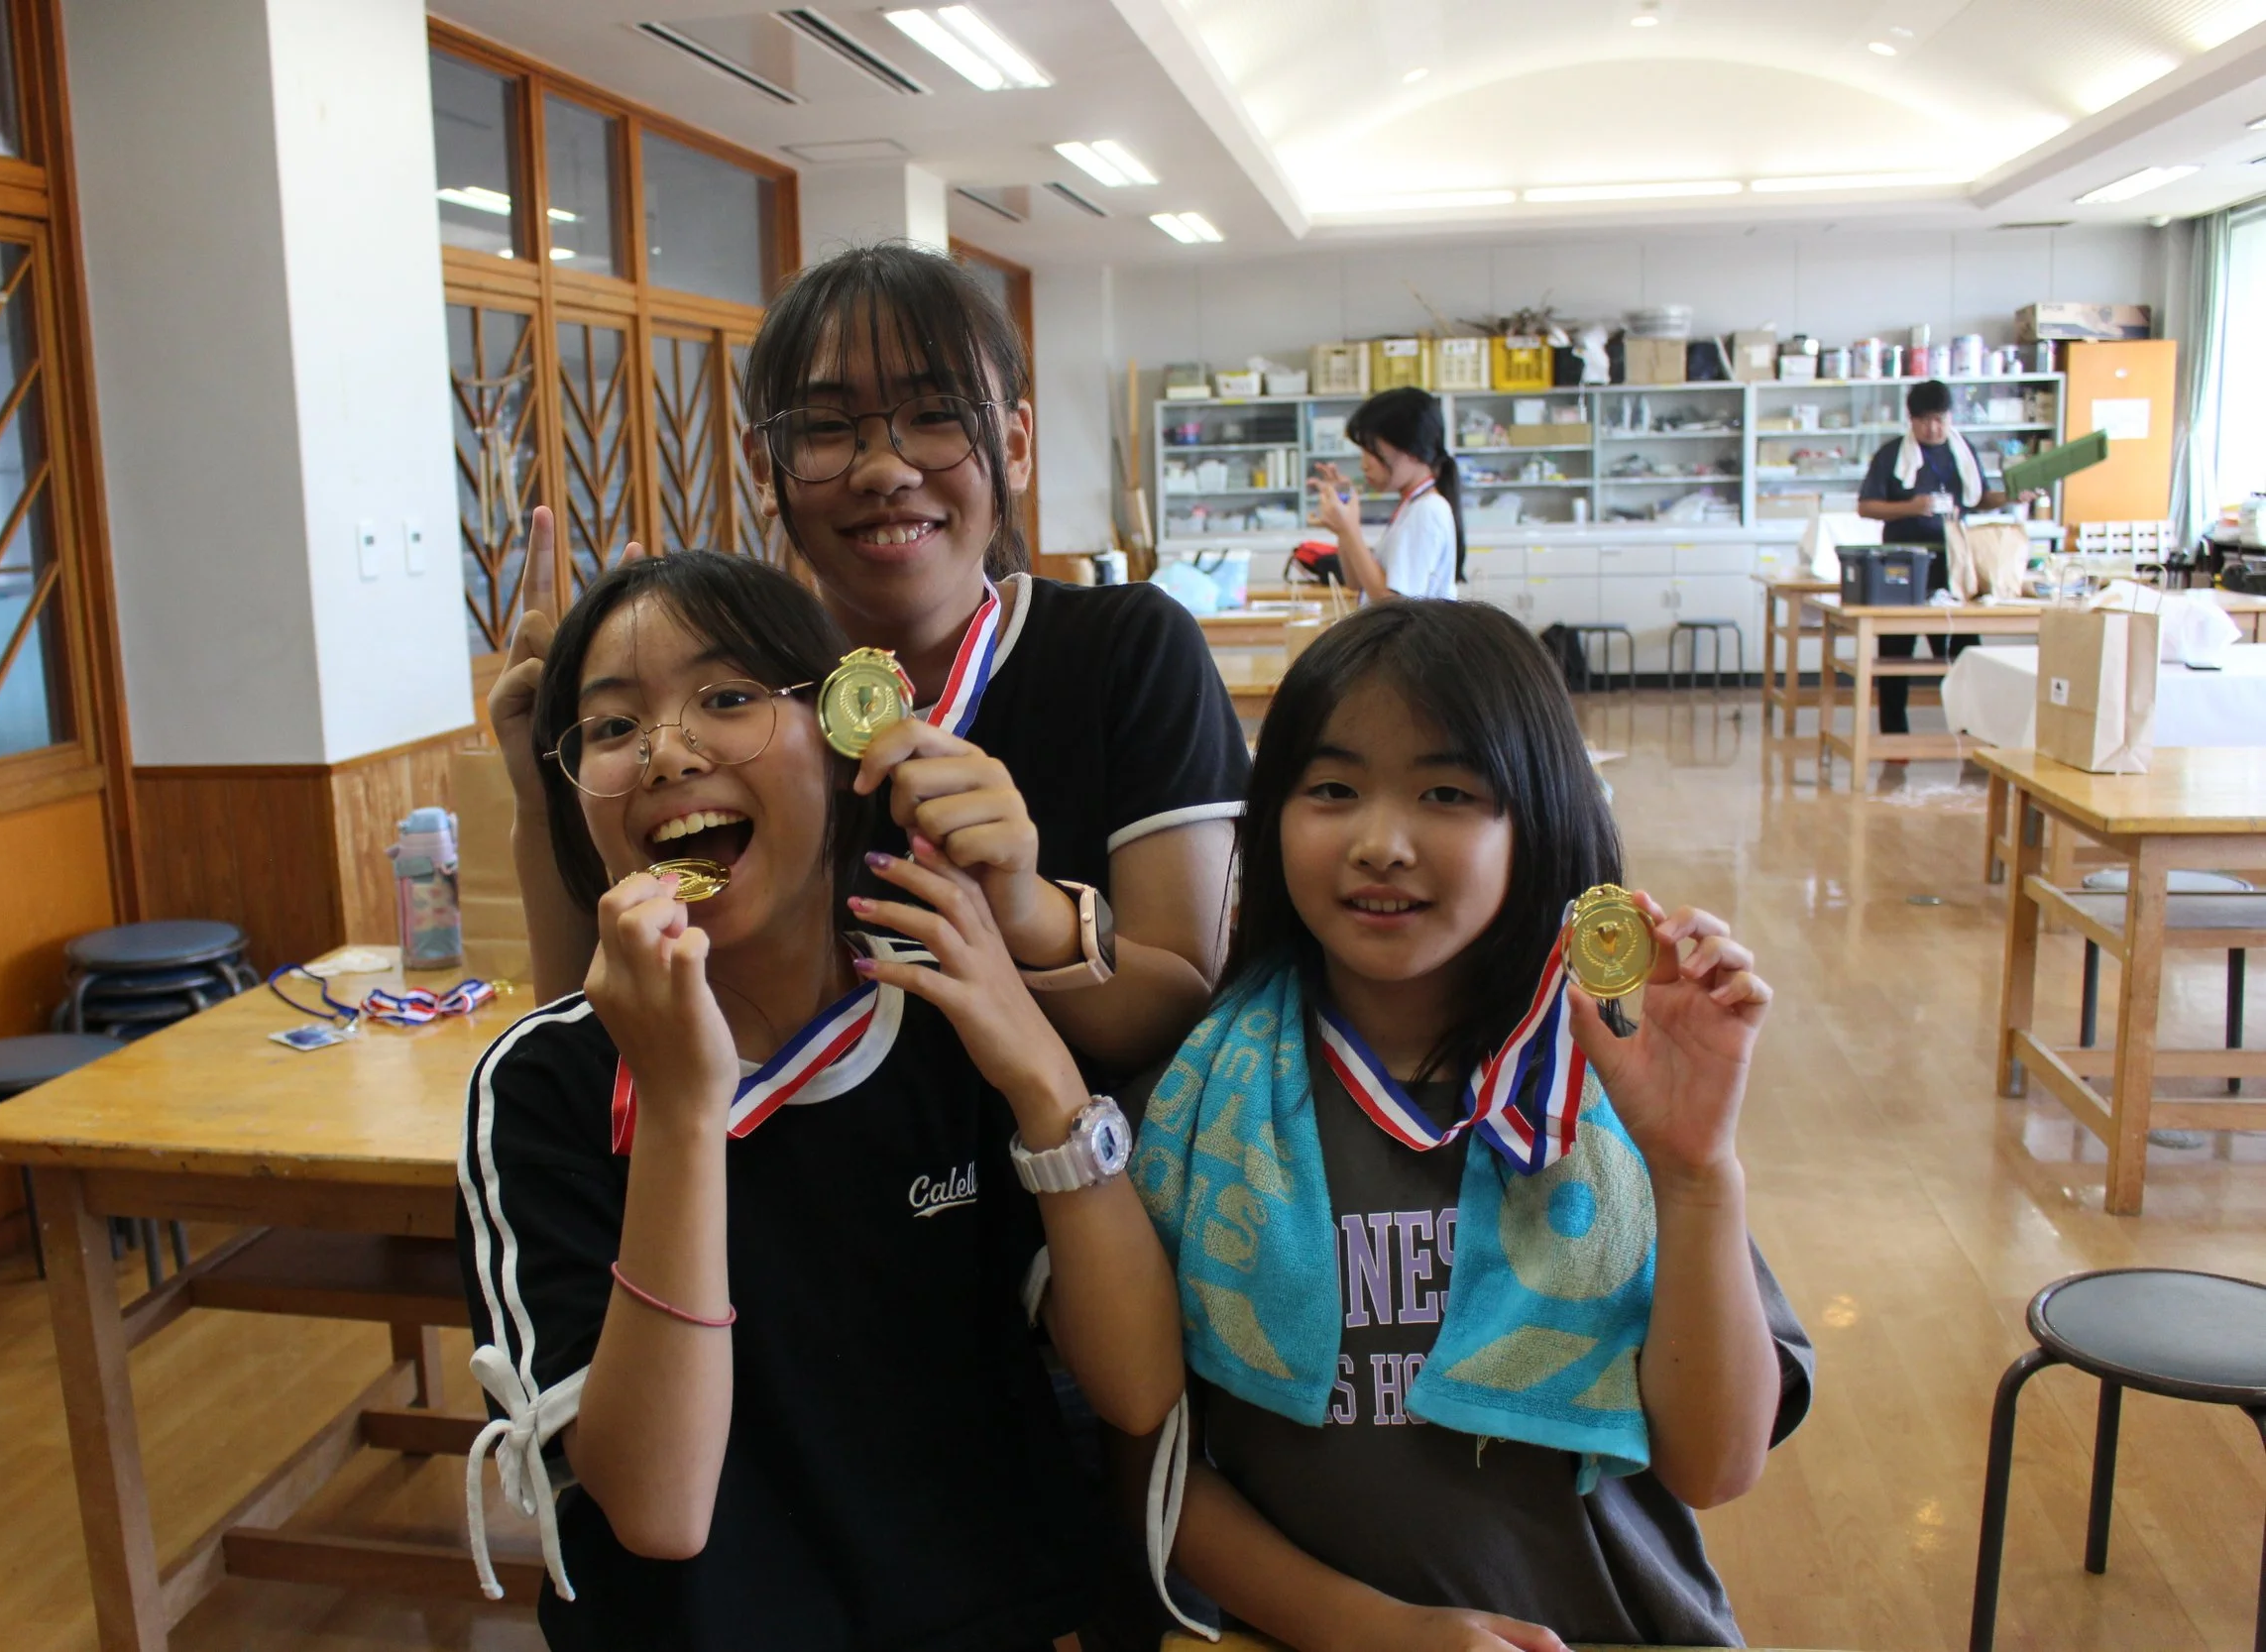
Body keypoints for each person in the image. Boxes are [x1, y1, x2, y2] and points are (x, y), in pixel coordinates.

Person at [457, 551, 1183, 1648]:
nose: (665, 750)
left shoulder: (938, 1012)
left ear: (850, 738)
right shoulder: (541, 1085)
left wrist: (1037, 1062)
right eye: (612, 726)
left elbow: (1135, 1388)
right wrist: (688, 1109)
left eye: (730, 696)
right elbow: (657, 1510)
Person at [1119, 601, 1812, 1651]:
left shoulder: (1604, 1088)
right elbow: (1151, 1462)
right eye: (1332, 788)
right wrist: (1377, 1631)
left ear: (1534, 822)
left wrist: (1696, 1169)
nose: (1381, 842)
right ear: (1270, 818)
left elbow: (1714, 1464)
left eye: (1448, 792)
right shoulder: (1196, 1103)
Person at [491, 244, 1247, 1076]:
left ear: (1017, 444)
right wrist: (544, 797)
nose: (885, 469)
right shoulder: (741, 714)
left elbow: (1190, 1006)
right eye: (823, 428)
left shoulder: (1127, 649)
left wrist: (1025, 911)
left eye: (937, 414)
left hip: (1087, 1181)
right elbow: (590, 1040)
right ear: (763, 473)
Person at [1855, 379, 2024, 737]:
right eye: (1925, 420)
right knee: (1896, 652)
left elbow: (1977, 498)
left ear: (1950, 417)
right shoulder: (1891, 456)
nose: (1934, 428)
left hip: (1953, 565)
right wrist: (1910, 507)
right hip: (1902, 565)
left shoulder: (1961, 452)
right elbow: (1866, 507)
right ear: (1911, 420)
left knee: (1965, 649)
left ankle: (1975, 733)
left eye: (1940, 419)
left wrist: (2010, 497)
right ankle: (1893, 737)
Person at [1304, 385, 1463, 602]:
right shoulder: (1412, 505)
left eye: (1372, 451)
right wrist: (1344, 526)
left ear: (1412, 451)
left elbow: (1393, 605)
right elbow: (1355, 582)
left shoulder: (1428, 510)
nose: (1364, 465)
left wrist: (1349, 529)